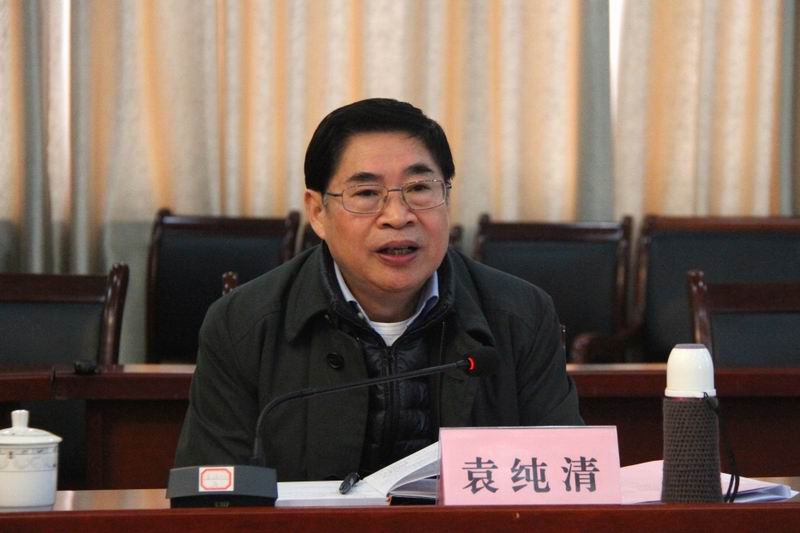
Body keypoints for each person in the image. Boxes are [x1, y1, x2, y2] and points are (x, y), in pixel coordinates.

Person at [174, 98, 582, 481]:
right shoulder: (243, 324)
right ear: (318, 212)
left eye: (419, 189)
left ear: (447, 197)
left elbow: (566, 480)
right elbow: (210, 494)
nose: (398, 216)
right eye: (367, 194)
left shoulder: (522, 315)